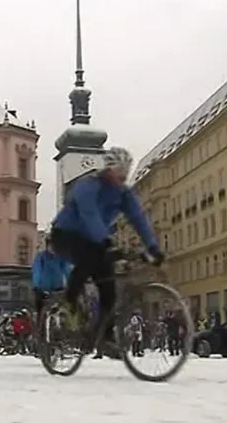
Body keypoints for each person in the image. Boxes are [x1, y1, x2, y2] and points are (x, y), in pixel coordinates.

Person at [49, 146, 164, 346]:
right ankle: (69, 302)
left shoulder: (123, 194)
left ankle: (104, 335)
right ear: (108, 170)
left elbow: (138, 219)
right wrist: (105, 241)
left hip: (95, 239)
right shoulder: (88, 185)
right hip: (65, 234)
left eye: (125, 173)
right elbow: (89, 213)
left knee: (108, 288)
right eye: (118, 172)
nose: (121, 177)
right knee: (88, 259)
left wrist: (153, 247)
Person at [31, 238, 72, 320]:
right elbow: (37, 271)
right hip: (41, 288)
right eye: (51, 245)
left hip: (57, 288)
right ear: (47, 246)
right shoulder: (41, 257)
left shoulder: (61, 257)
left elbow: (67, 270)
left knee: (61, 308)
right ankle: (40, 329)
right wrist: (37, 285)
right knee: (40, 311)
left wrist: (72, 281)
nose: (53, 248)